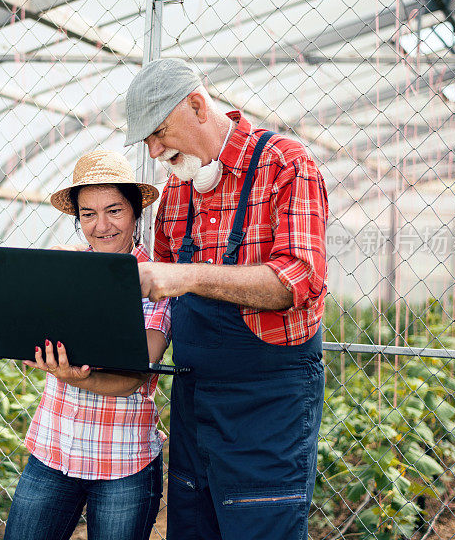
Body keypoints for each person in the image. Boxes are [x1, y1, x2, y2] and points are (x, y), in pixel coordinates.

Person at [124, 58, 329, 539]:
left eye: (159, 132)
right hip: (196, 399)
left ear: (197, 106)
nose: (154, 150)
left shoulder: (286, 163)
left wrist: (188, 276)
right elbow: (158, 297)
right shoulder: (176, 192)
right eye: (147, 141)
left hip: (269, 403)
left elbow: (297, 279)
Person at [3, 150, 171, 540]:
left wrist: (71, 377)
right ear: (77, 219)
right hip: (54, 449)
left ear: (135, 212)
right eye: (88, 214)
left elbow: (135, 374)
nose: (102, 225)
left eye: (114, 210)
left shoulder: (156, 283)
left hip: (124, 461)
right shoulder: (62, 272)